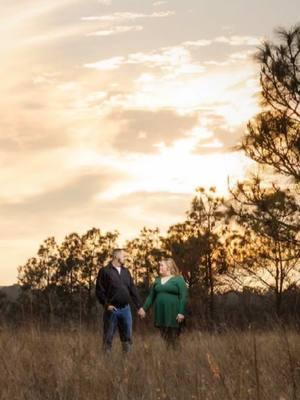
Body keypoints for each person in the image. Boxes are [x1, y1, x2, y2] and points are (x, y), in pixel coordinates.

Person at [96, 248, 143, 353]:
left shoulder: (126, 272)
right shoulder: (104, 271)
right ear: (116, 257)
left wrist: (139, 306)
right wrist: (107, 305)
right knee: (108, 338)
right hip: (112, 310)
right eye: (123, 256)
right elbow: (99, 291)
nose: (125, 258)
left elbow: (132, 289)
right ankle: (105, 363)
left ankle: (127, 364)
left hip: (126, 310)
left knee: (127, 338)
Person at [138, 257, 188, 349]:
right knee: (165, 337)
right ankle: (169, 357)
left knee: (174, 338)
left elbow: (183, 297)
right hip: (161, 313)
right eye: (159, 265)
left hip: (174, 313)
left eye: (162, 265)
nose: (159, 267)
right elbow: (151, 297)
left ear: (168, 267)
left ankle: (178, 357)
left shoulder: (178, 279)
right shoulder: (157, 280)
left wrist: (181, 312)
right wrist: (144, 309)